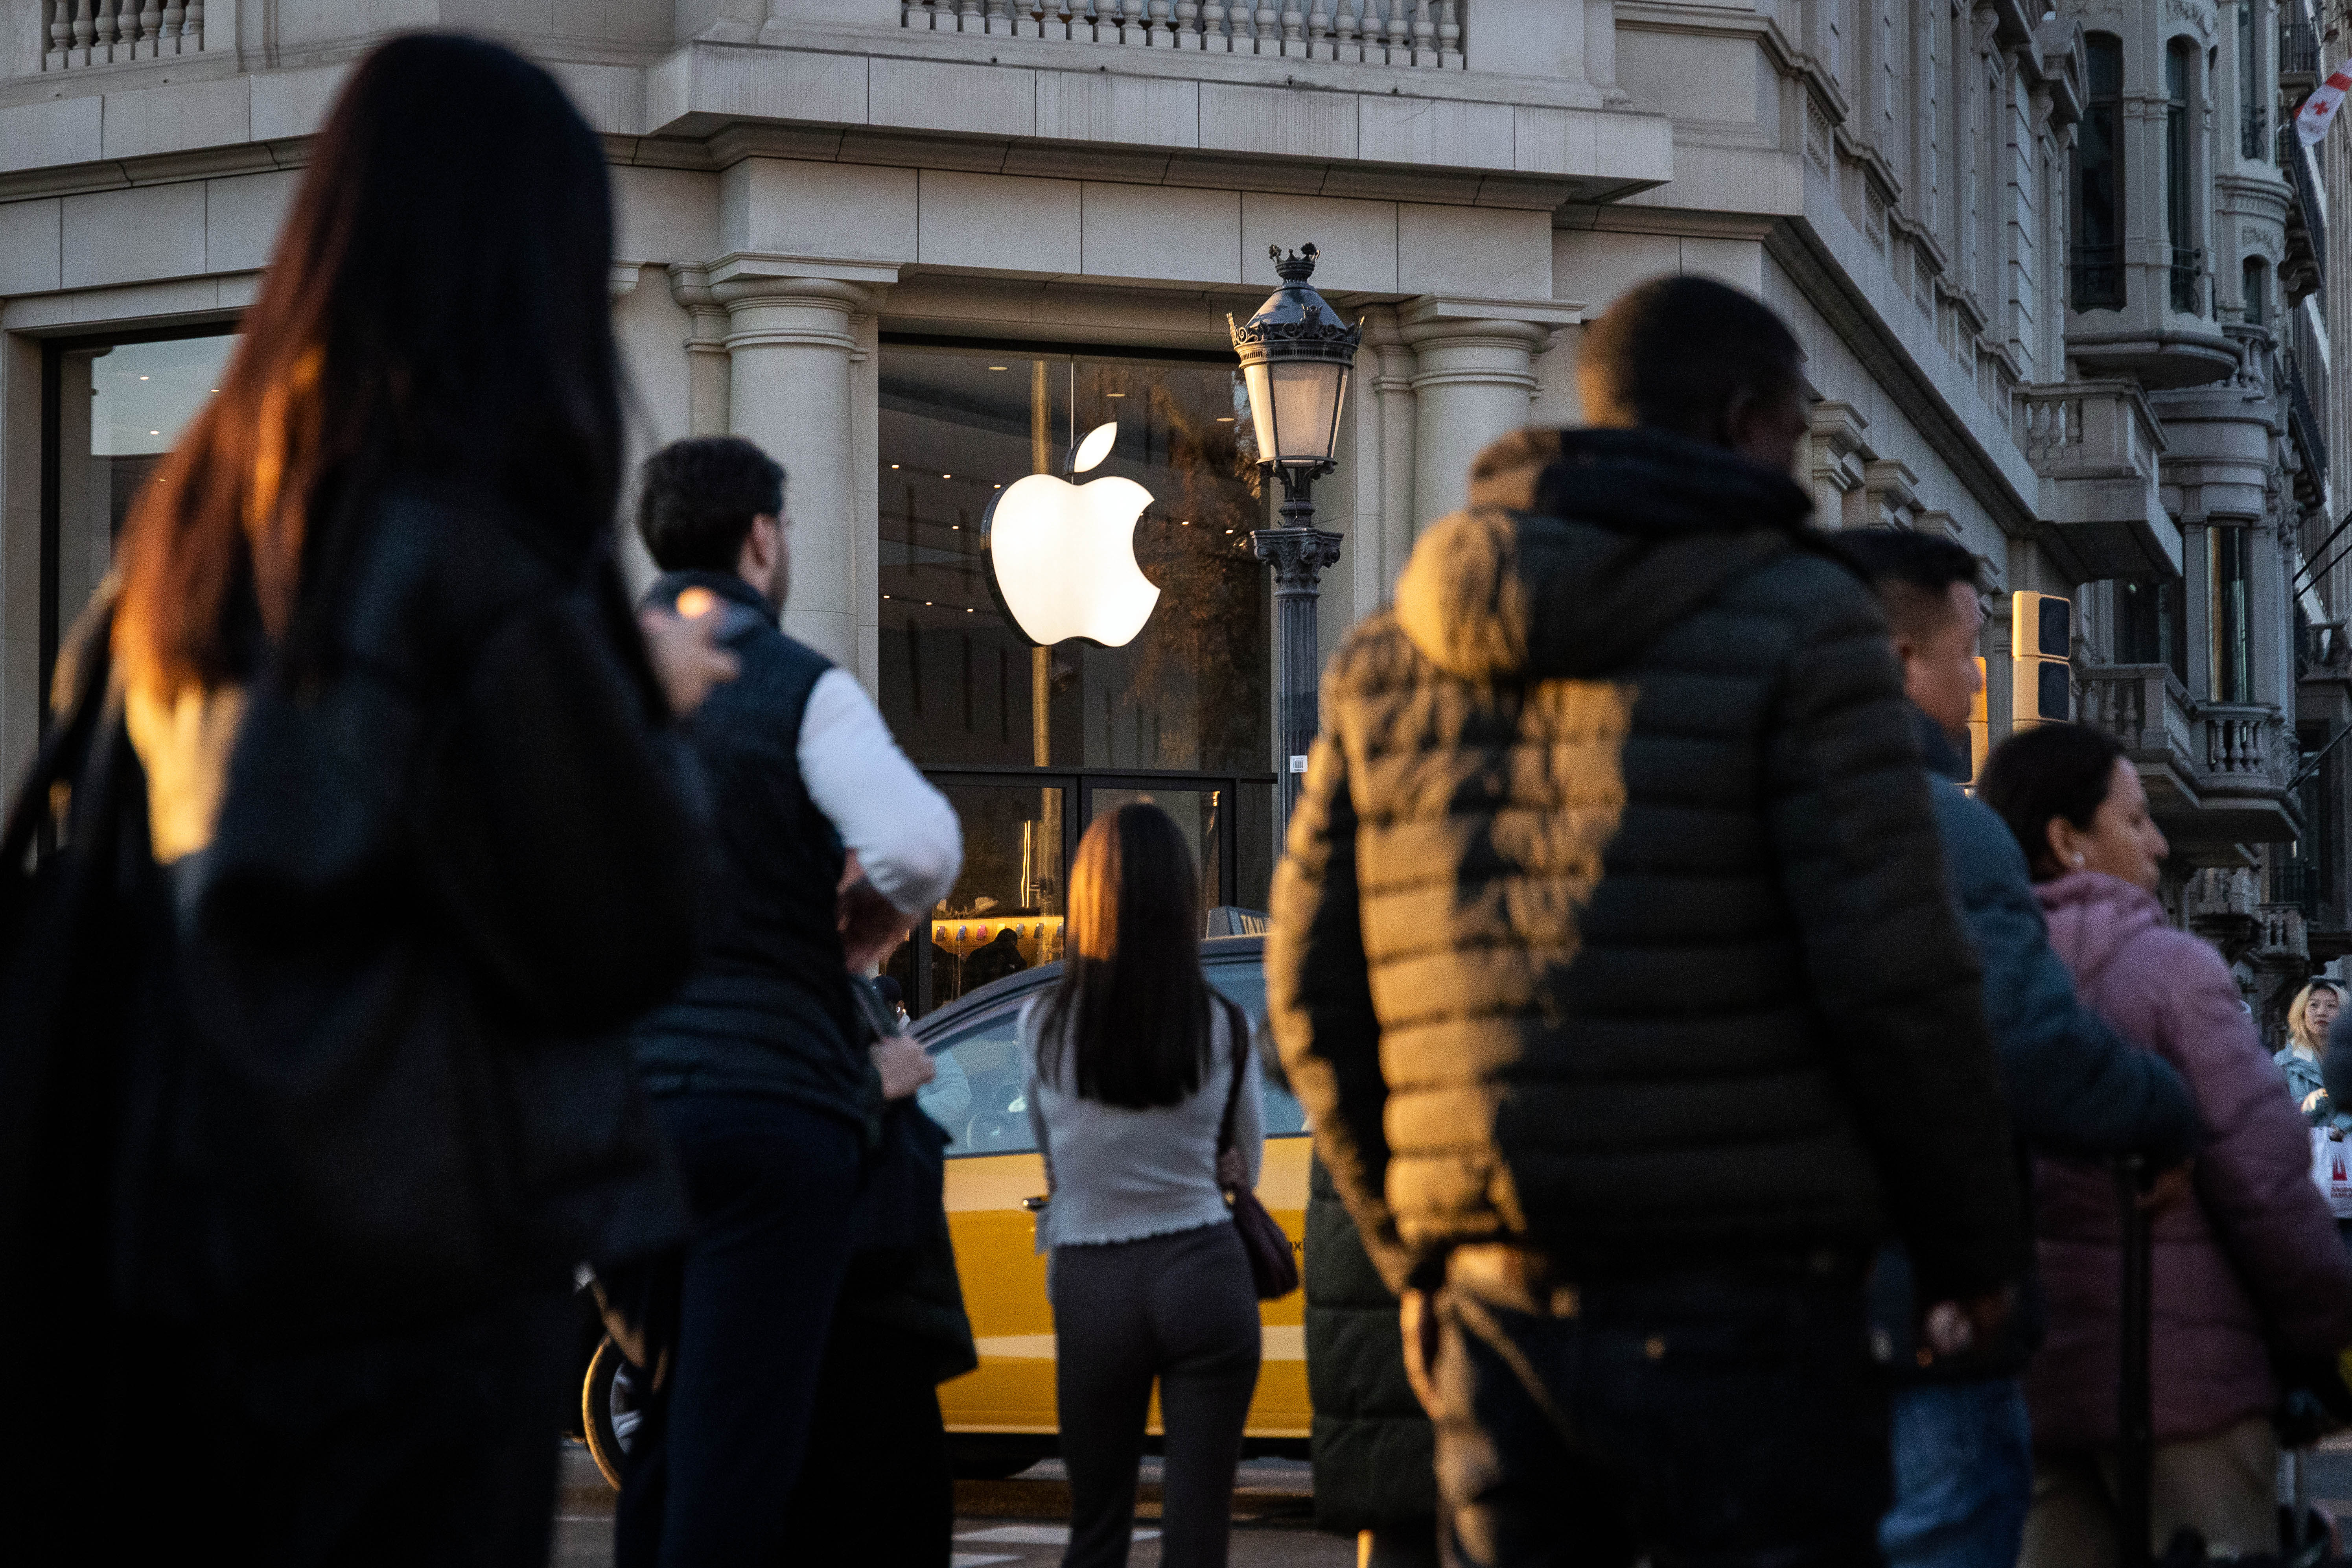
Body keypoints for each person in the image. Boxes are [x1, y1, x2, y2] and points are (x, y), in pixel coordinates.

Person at [7, 34, 730, 1563]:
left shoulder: (190, 539)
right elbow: (629, 924)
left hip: (181, 1250)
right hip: (409, 1279)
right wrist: (643, 695)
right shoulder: (463, 560)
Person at [1265, 274, 2028, 1568]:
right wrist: (1970, 1251)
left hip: (1497, 1293)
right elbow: (1894, 970)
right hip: (1750, 1296)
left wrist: (1419, 1245)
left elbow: (1311, 986)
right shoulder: (1802, 623)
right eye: (1793, 436)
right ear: (1743, 425)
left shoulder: (1390, 654)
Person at [616, 435, 963, 1566]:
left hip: (619, 1111)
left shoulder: (586, 673)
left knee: (662, 1418)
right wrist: (870, 914)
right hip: (771, 1104)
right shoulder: (792, 681)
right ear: (761, 538)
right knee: (740, 1442)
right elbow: (919, 839)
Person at [1839, 531, 2199, 1568]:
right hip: (1922, 1312)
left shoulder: (1736, 809)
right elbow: (2025, 1045)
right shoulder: (1942, 834)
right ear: (1902, 663)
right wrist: (2163, 1113)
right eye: (1964, 649)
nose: (1977, 677)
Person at [1978, 723, 2352, 1564]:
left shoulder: (1967, 974)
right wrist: (2321, 1335)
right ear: (2066, 838)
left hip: (2030, 1384)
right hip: (2183, 1391)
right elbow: (2262, 1177)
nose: (2155, 841)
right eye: (2135, 817)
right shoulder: (2169, 971)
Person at [1023, 803, 1264, 1568]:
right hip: (1202, 1273)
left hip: (1093, 1281)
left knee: (1096, 1527)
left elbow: (1053, 1161)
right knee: (1197, 1537)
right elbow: (1244, 1164)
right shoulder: (1221, 1022)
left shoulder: (1042, 1023)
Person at [2277, 978, 2345, 1124]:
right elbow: (2275, 1117)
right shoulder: (2283, 1062)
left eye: (2331, 1006)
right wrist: (2322, 1097)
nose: (2322, 1012)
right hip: (2303, 1145)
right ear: (2302, 1013)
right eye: (2314, 1005)